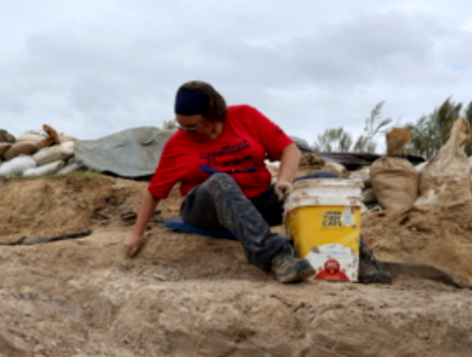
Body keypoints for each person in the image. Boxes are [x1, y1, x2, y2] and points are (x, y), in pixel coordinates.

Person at [123, 81, 391, 284]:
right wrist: (136, 235)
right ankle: (276, 257)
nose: (186, 132)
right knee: (220, 181)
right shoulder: (177, 145)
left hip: (256, 201)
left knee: (325, 180)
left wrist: (285, 182)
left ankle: (355, 256)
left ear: (215, 114)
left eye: (192, 126)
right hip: (205, 208)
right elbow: (154, 192)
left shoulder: (246, 117)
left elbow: (290, 150)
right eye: (182, 127)